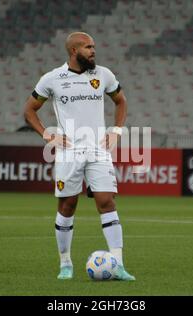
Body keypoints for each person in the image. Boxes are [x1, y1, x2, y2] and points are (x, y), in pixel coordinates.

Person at [23, 32, 135, 281]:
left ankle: (117, 264)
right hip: (69, 152)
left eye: (94, 46)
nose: (93, 51)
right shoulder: (52, 79)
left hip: (98, 151)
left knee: (107, 202)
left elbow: (121, 101)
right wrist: (47, 135)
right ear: (74, 51)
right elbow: (29, 111)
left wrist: (116, 130)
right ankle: (65, 263)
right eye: (88, 47)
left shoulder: (103, 75)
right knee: (67, 206)